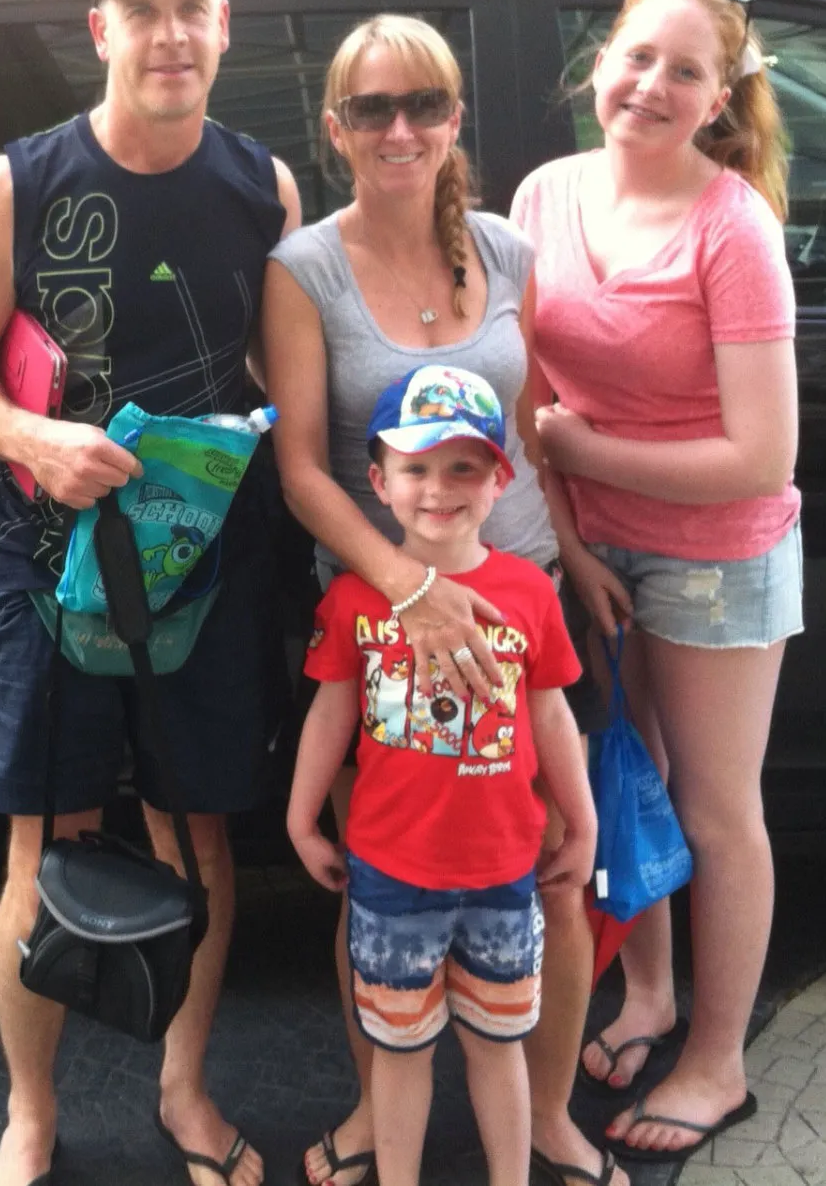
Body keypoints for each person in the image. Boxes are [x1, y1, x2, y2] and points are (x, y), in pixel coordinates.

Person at [0, 0, 301, 1186]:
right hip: (46, 567)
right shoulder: (16, 183)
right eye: (143, 11)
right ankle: (30, 1115)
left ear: (224, 29)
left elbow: (289, 383)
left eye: (194, 7)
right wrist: (35, 441)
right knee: (46, 843)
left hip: (207, 574)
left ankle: (184, 1093)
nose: (171, 33)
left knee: (199, 839)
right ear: (103, 31)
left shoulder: (266, 185)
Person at [264, 14, 623, 1186]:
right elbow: (306, 468)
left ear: (455, 116)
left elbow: (528, 434)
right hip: (383, 610)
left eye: (423, 103)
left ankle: (551, 1112)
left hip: (518, 607)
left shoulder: (505, 252)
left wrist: (570, 555)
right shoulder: (305, 269)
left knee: (550, 872)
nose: (400, 128)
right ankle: (383, 1109)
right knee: (389, 871)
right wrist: (411, 589)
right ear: (337, 130)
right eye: (372, 109)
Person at [510, 0, 801, 1165]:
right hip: (599, 543)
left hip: (716, 557)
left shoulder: (734, 227)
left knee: (715, 809)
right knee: (634, 776)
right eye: (638, 58)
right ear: (599, 64)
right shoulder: (543, 194)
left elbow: (759, 455)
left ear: (723, 98)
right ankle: (651, 995)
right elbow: (527, 389)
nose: (653, 85)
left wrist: (586, 448)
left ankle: (718, 1059)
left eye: (687, 71)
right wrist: (573, 540)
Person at [287, 365, 596, 1186]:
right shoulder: (356, 598)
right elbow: (330, 712)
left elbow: (553, 714)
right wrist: (302, 816)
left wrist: (584, 817)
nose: (439, 488)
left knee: (499, 1048)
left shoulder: (530, 592)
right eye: (417, 467)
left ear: (500, 479)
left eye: (464, 466)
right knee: (399, 1054)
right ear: (378, 481)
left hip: (505, 872)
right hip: (391, 875)